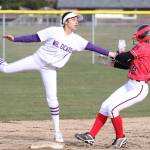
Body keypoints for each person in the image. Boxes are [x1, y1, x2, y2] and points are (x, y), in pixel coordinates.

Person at [1, 12, 116, 143]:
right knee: (5, 69)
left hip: (50, 70)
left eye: (77, 20)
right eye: (73, 19)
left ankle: (57, 132)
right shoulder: (53, 31)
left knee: (52, 100)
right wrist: (15, 39)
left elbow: (92, 47)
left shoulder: (76, 40)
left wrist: (111, 53)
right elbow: (34, 37)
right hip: (36, 60)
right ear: (66, 21)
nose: (77, 22)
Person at [75, 24, 150, 149]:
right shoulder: (143, 48)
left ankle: (121, 138)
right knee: (105, 106)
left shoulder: (144, 47)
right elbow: (127, 65)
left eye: (139, 35)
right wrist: (111, 63)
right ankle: (91, 135)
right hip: (131, 85)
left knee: (112, 108)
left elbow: (123, 57)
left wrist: (119, 52)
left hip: (139, 88)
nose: (136, 37)